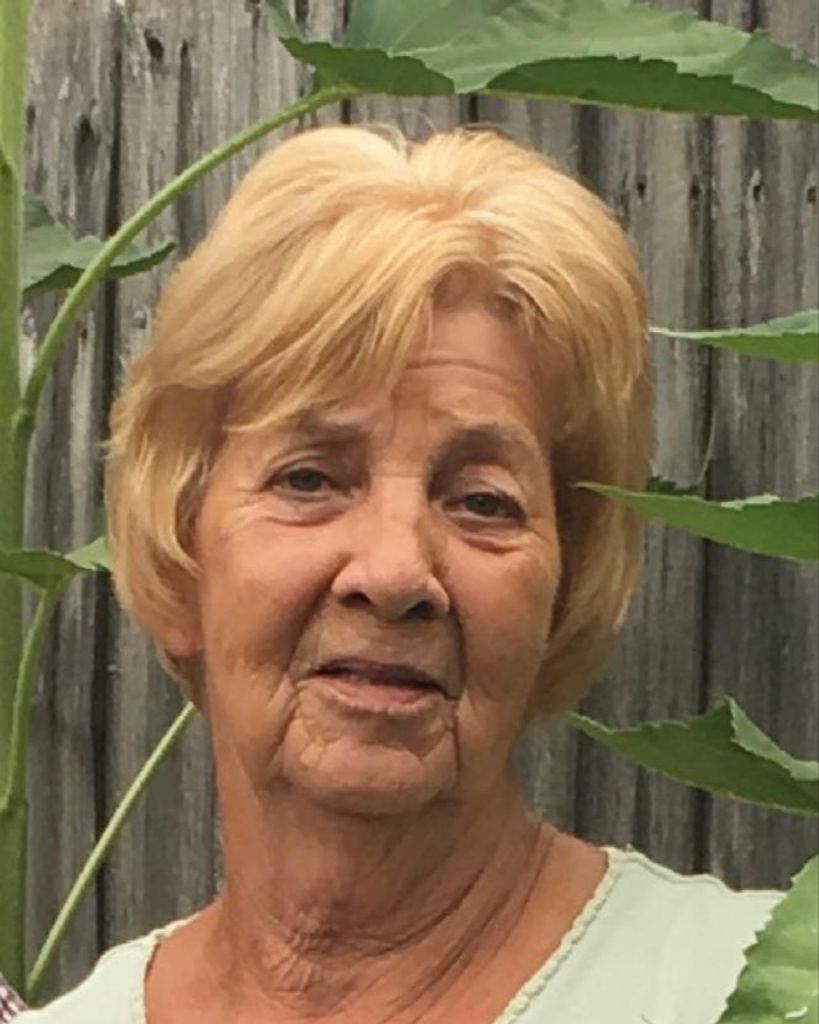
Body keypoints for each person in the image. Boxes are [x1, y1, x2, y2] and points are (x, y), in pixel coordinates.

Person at [19, 124, 779, 1024]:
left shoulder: (755, 995)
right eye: (309, 479)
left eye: (483, 500)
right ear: (181, 552)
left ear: (565, 584)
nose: (394, 572)